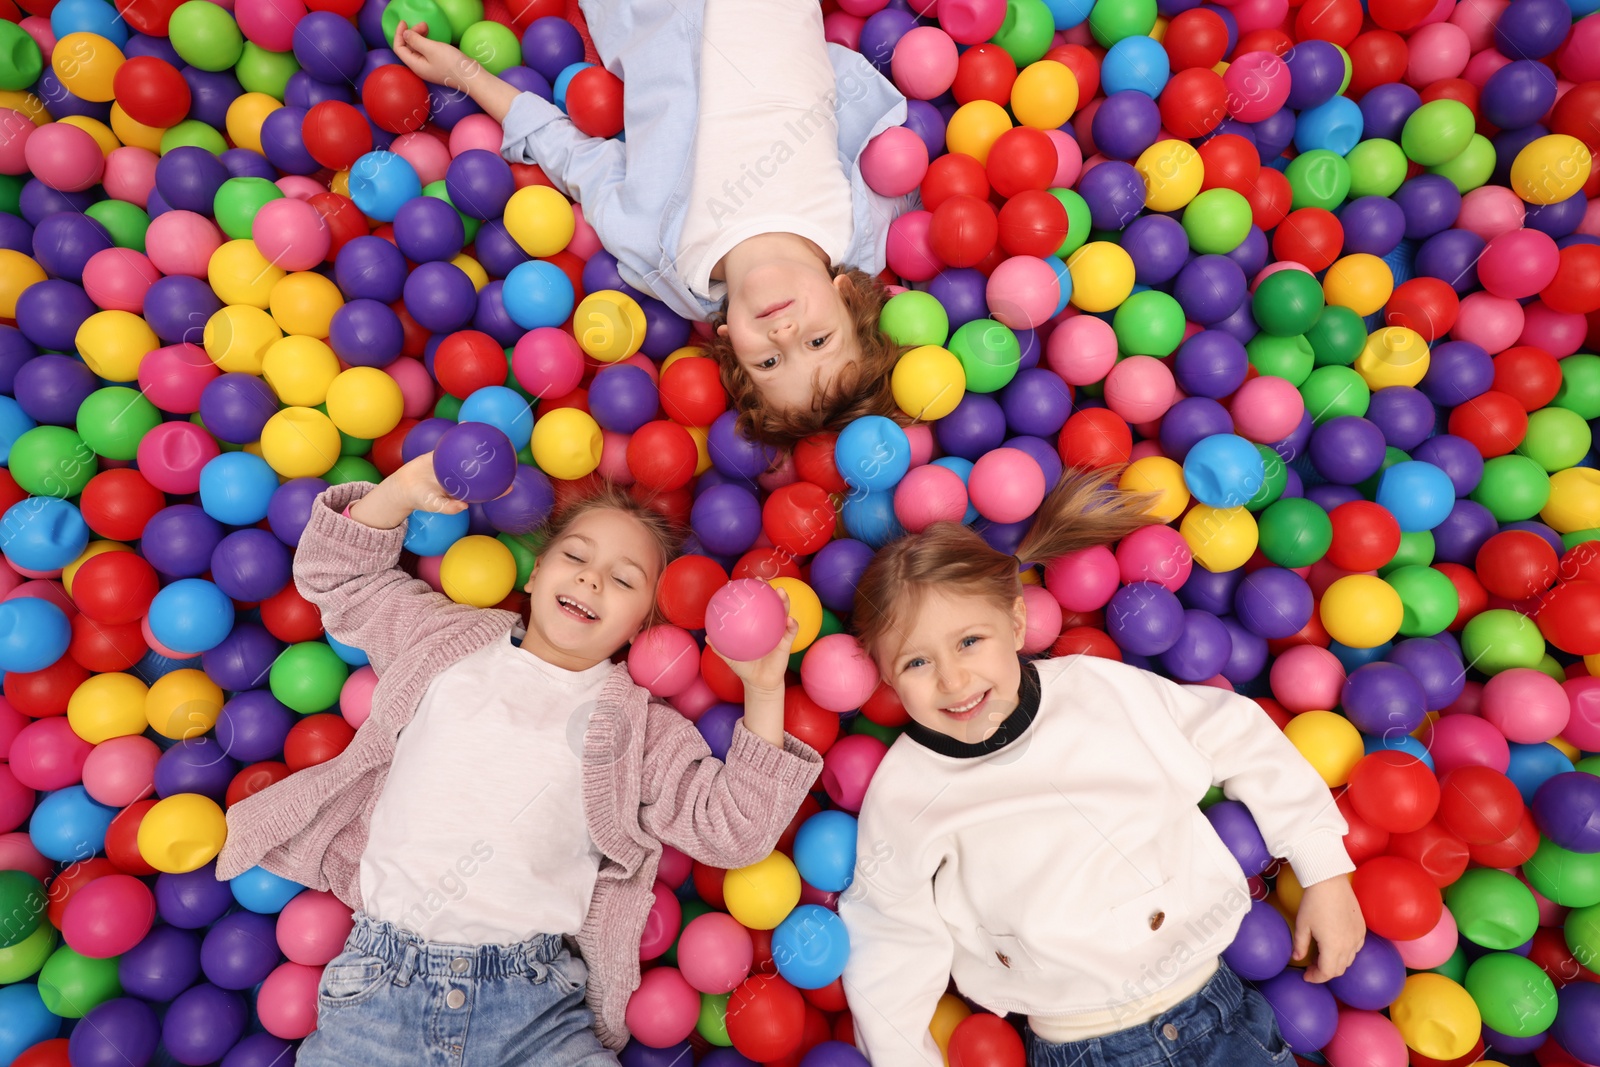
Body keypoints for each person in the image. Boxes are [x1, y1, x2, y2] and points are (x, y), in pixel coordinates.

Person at [217, 455, 822, 1063]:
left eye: (624, 580)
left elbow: (732, 831)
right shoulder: (444, 640)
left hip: (532, 1008)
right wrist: (399, 492)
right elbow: (338, 578)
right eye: (576, 557)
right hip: (379, 987)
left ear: (646, 627)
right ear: (534, 575)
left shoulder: (638, 728)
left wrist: (764, 689)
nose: (591, 580)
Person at [837, 468, 1368, 1067]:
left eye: (969, 642)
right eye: (915, 663)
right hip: (1081, 1047)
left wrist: (1323, 871)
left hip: (1217, 1009)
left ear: (1015, 625)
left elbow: (1235, 731)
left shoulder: (1097, 690)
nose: (954, 681)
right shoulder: (908, 790)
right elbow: (890, 935)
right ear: (884, 674)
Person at [390, 0, 916, 443]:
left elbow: (570, 157)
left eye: (770, 364)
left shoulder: (660, 251)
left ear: (731, 343)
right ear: (846, 295)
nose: (784, 333)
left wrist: (463, 73)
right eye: (818, 342)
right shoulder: (858, 224)